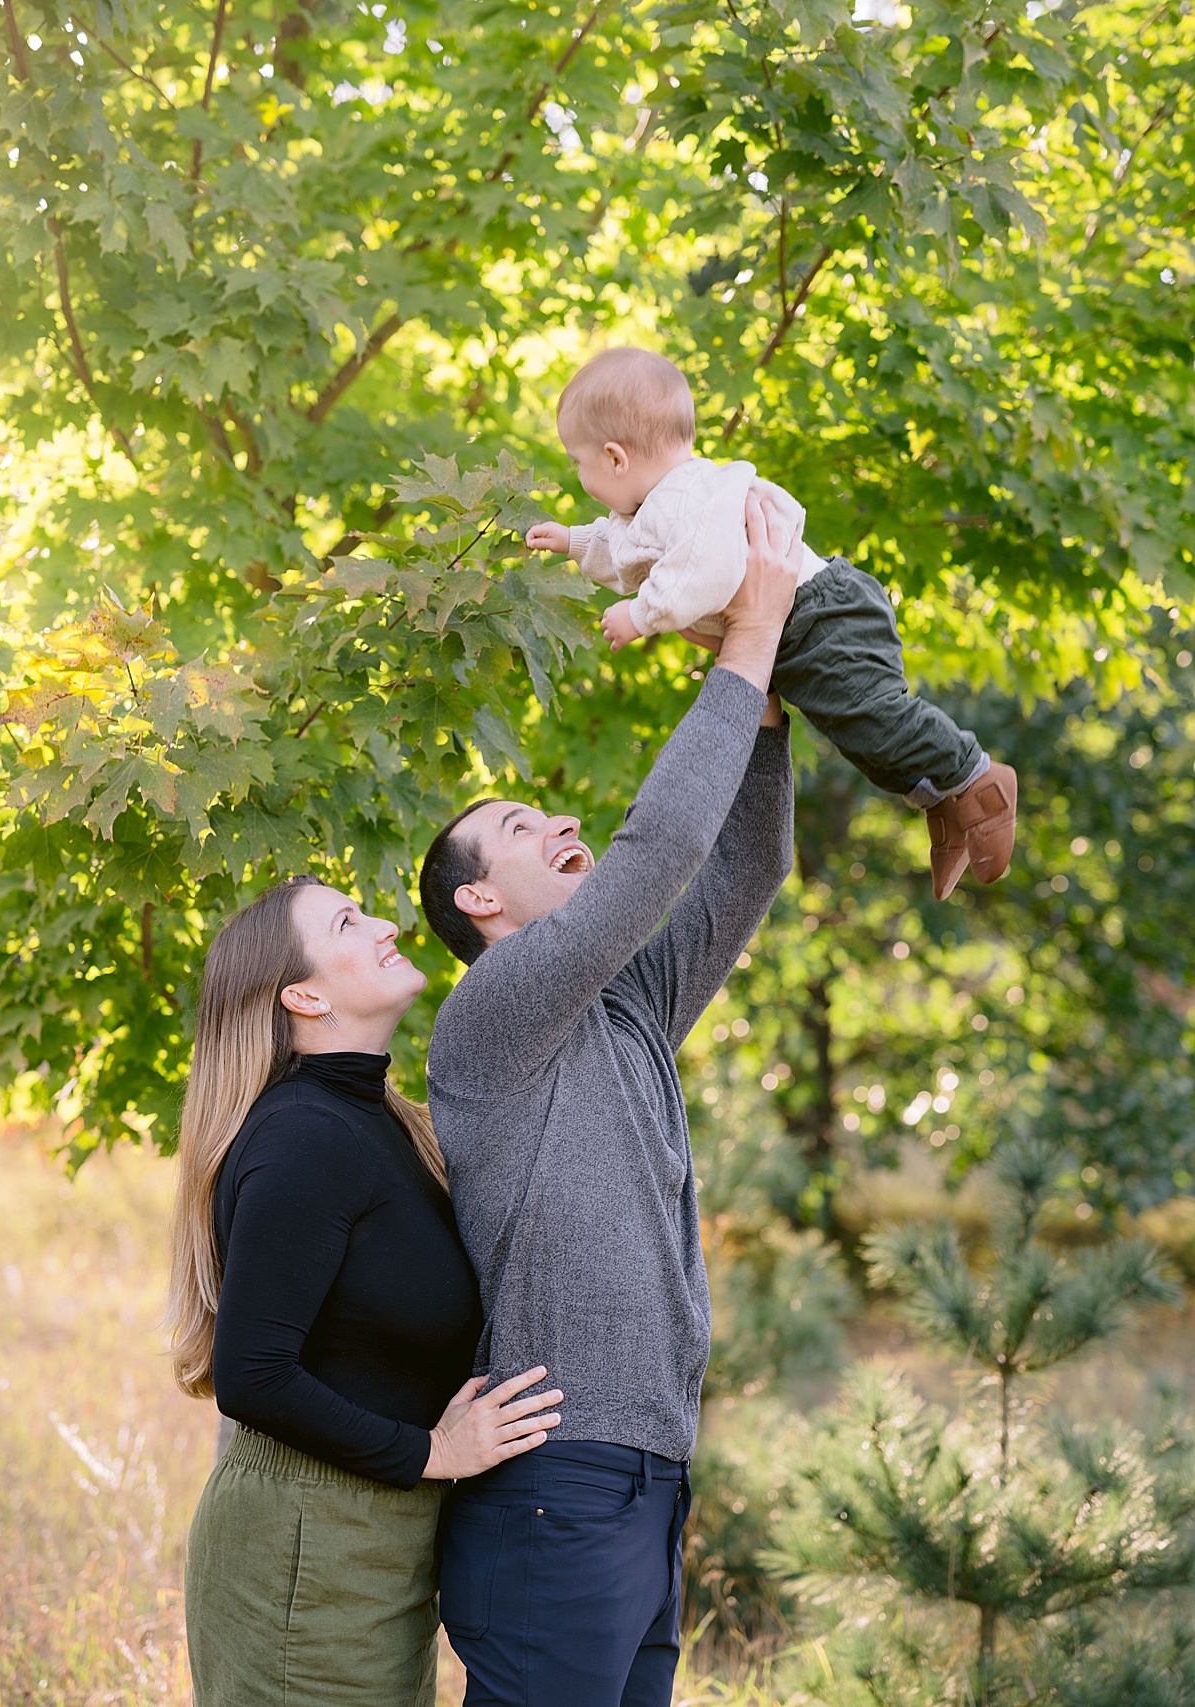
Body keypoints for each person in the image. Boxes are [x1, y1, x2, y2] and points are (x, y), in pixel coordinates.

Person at [418, 491, 798, 1706]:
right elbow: (658, 850)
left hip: (646, 1479)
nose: (562, 819)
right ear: (481, 906)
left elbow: (742, 864)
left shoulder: (629, 1006)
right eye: (524, 829)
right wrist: (742, 641)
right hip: (553, 1492)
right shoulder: (490, 1018)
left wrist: (775, 694)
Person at [167, 874, 562, 1707]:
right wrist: (435, 1452)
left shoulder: (384, 1120)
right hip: (307, 1546)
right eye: (349, 920)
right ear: (303, 994)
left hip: (373, 1542)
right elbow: (253, 1373)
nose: (385, 922)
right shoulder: (303, 1134)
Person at [524, 344, 1017, 901]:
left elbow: (703, 568)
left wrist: (641, 615)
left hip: (821, 615)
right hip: (794, 630)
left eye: (578, 462)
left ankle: (978, 780)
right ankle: (942, 801)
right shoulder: (650, 506)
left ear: (615, 458)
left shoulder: (686, 498)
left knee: (872, 714)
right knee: (852, 732)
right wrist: (573, 541)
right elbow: (623, 547)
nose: (579, 476)